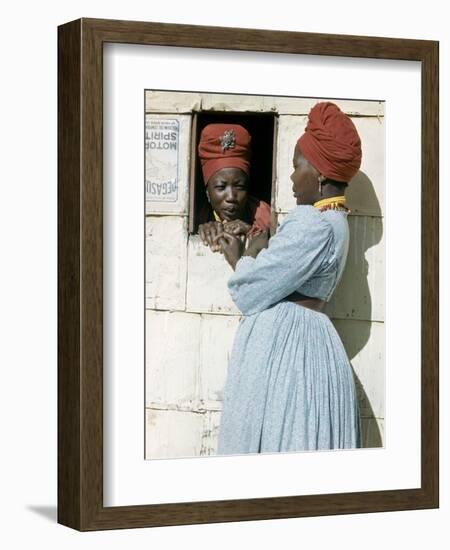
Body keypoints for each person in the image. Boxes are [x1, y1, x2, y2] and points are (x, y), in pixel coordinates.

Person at [215, 102, 362, 454]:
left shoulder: (312, 223)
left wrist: (244, 254)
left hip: (289, 352)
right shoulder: (338, 223)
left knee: (278, 439)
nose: (293, 178)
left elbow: (251, 290)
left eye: (297, 167)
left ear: (321, 173)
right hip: (307, 340)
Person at [197, 123, 271, 252]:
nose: (231, 197)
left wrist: (250, 231)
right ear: (207, 193)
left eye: (240, 186)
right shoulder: (197, 215)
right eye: (221, 187)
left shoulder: (265, 215)